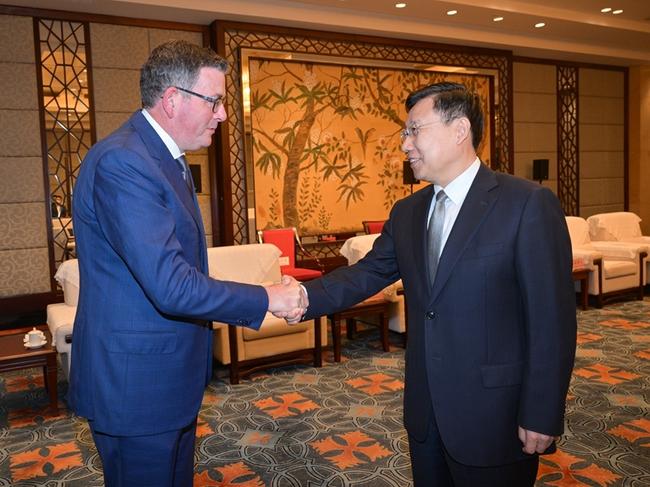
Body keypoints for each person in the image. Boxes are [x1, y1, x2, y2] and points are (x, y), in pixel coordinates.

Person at [301, 82, 577, 486]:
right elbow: (366, 274)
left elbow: (552, 322)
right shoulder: (408, 212)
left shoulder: (526, 204)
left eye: (414, 130)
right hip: (426, 415)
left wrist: (542, 411)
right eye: (404, 133)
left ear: (459, 130)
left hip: (496, 416)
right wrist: (299, 296)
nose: (404, 145)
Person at [69, 40, 306, 487]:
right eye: (215, 101)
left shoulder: (164, 160)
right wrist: (268, 296)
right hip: (136, 387)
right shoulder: (125, 162)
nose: (222, 114)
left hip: (163, 379)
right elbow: (172, 285)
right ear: (173, 99)